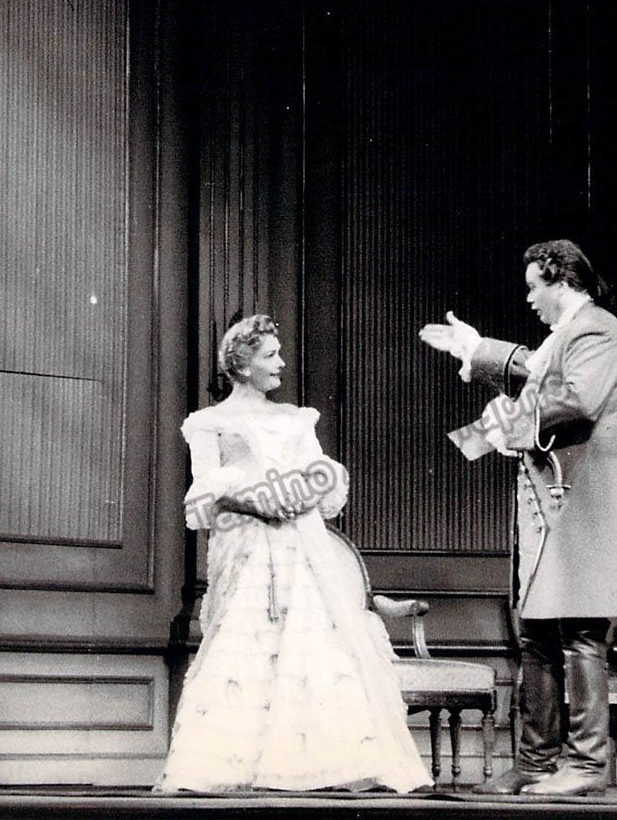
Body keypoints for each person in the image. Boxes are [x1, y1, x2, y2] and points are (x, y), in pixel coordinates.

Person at [155, 314, 431, 795]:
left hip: (302, 548)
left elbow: (321, 476)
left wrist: (298, 495)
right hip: (247, 548)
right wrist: (253, 502)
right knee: (245, 643)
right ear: (243, 366)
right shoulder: (209, 423)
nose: (282, 363)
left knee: (314, 646)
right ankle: (232, 767)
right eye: (270, 355)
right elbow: (203, 495)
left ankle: (318, 765)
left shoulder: (295, 419)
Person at [419, 240, 617, 796]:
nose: (529, 299)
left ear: (563, 281)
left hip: (583, 500)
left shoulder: (597, 330)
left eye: (534, 287)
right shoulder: (564, 336)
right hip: (550, 505)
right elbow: (538, 376)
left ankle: (588, 764)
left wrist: (502, 416)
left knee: (580, 633)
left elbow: (577, 400)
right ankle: (535, 762)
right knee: (537, 633)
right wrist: (477, 352)